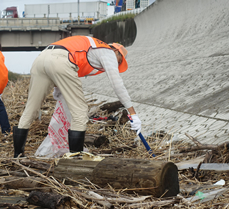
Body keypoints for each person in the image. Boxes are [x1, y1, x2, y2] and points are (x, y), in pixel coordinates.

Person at [13, 35, 142, 157]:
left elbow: (61, 74)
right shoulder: (108, 52)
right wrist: (133, 113)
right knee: (80, 112)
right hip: (61, 60)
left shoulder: (91, 49)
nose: (117, 64)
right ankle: (75, 161)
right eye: (119, 61)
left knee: (30, 110)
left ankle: (18, 156)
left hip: (41, 59)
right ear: (117, 52)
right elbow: (117, 84)